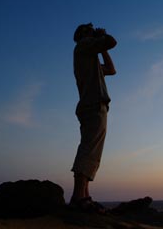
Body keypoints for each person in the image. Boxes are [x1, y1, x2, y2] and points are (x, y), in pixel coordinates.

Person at [70, 23, 117, 213]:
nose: (94, 28)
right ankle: (78, 197)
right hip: (93, 105)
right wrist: (102, 36)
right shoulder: (83, 45)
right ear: (83, 34)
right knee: (89, 150)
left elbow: (112, 70)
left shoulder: (90, 57)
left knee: (92, 152)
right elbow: (111, 41)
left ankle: (84, 196)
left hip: (95, 105)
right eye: (90, 28)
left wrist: (101, 48)